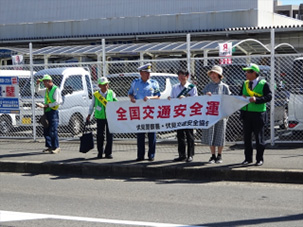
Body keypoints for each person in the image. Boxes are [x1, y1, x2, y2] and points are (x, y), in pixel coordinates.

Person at [240, 63, 272, 166]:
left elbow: (269, 97)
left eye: (248, 72)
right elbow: (240, 95)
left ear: (254, 73)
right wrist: (242, 97)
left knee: (259, 138)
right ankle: (248, 158)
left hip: (258, 114)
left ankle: (259, 159)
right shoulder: (244, 83)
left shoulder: (263, 84)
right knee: (247, 138)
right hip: (247, 114)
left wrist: (257, 100)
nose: (246, 74)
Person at [128, 63, 160, 161]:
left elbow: (158, 96)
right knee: (140, 134)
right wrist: (132, 99)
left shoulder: (154, 83)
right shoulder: (135, 82)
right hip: (140, 112)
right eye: (146, 73)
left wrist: (150, 98)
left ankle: (151, 155)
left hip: (151, 112)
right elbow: (130, 94)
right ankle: (140, 155)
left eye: (149, 73)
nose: (148, 75)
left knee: (152, 134)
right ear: (141, 73)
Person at [201, 65, 231, 164]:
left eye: (215, 73)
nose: (213, 75)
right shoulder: (207, 86)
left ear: (219, 75)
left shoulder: (225, 87)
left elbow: (228, 100)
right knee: (211, 134)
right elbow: (201, 100)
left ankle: (219, 155)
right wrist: (206, 96)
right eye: (212, 73)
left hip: (221, 114)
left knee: (220, 134)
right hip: (210, 114)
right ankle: (212, 155)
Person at [168, 69, 198, 162]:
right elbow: (173, 99)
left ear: (187, 76)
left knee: (189, 135)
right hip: (179, 114)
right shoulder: (175, 87)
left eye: (183, 75)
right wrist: (170, 99)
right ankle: (182, 155)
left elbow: (195, 100)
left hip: (188, 114)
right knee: (180, 135)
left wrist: (186, 98)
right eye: (179, 75)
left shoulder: (192, 87)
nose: (181, 77)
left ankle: (190, 155)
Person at [86, 77, 118, 159]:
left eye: (106, 84)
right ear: (99, 86)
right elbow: (92, 105)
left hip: (109, 117)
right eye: (103, 85)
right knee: (100, 135)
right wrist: (89, 114)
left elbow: (116, 103)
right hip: (100, 117)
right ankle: (100, 152)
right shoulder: (96, 95)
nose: (105, 86)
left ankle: (108, 153)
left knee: (109, 135)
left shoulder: (111, 93)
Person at [36, 74, 62, 154]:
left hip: (53, 112)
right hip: (47, 111)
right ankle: (50, 146)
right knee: (46, 129)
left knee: (53, 130)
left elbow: (58, 101)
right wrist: (37, 84)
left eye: (45, 82)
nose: (44, 84)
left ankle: (56, 147)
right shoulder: (47, 90)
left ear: (50, 81)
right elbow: (38, 92)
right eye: (43, 82)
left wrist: (47, 105)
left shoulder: (55, 89)